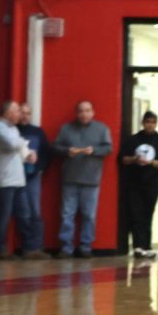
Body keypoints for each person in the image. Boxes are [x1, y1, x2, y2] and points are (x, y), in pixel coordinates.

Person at [53, 100, 113, 258]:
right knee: (67, 214)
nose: (84, 114)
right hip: (70, 178)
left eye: (87, 111)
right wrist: (67, 151)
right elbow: (55, 147)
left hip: (91, 180)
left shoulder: (102, 129)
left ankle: (86, 246)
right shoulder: (66, 129)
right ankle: (66, 248)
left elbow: (108, 148)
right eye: (81, 111)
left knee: (89, 215)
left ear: (93, 112)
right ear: (76, 113)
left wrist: (94, 150)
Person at [119, 110, 158, 258]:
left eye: (153, 122)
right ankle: (137, 246)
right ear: (143, 123)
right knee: (136, 214)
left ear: (156, 124)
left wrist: (151, 162)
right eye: (147, 122)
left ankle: (146, 246)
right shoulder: (132, 140)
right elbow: (123, 159)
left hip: (152, 184)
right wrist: (135, 159)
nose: (150, 125)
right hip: (133, 183)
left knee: (148, 214)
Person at [0, 100, 30, 259]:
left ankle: (28, 247)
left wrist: (25, 149)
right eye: (17, 111)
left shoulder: (13, 129)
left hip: (16, 178)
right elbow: (13, 145)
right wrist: (23, 143)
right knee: (2, 215)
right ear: (8, 113)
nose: (20, 114)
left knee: (23, 213)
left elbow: (18, 148)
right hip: (3, 179)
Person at [16, 103, 52, 258]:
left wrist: (39, 168)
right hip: (15, 176)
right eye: (22, 113)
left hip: (33, 177)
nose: (25, 116)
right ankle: (26, 245)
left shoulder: (37, 132)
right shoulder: (13, 131)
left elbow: (46, 153)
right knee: (22, 212)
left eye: (28, 113)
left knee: (35, 212)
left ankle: (36, 247)